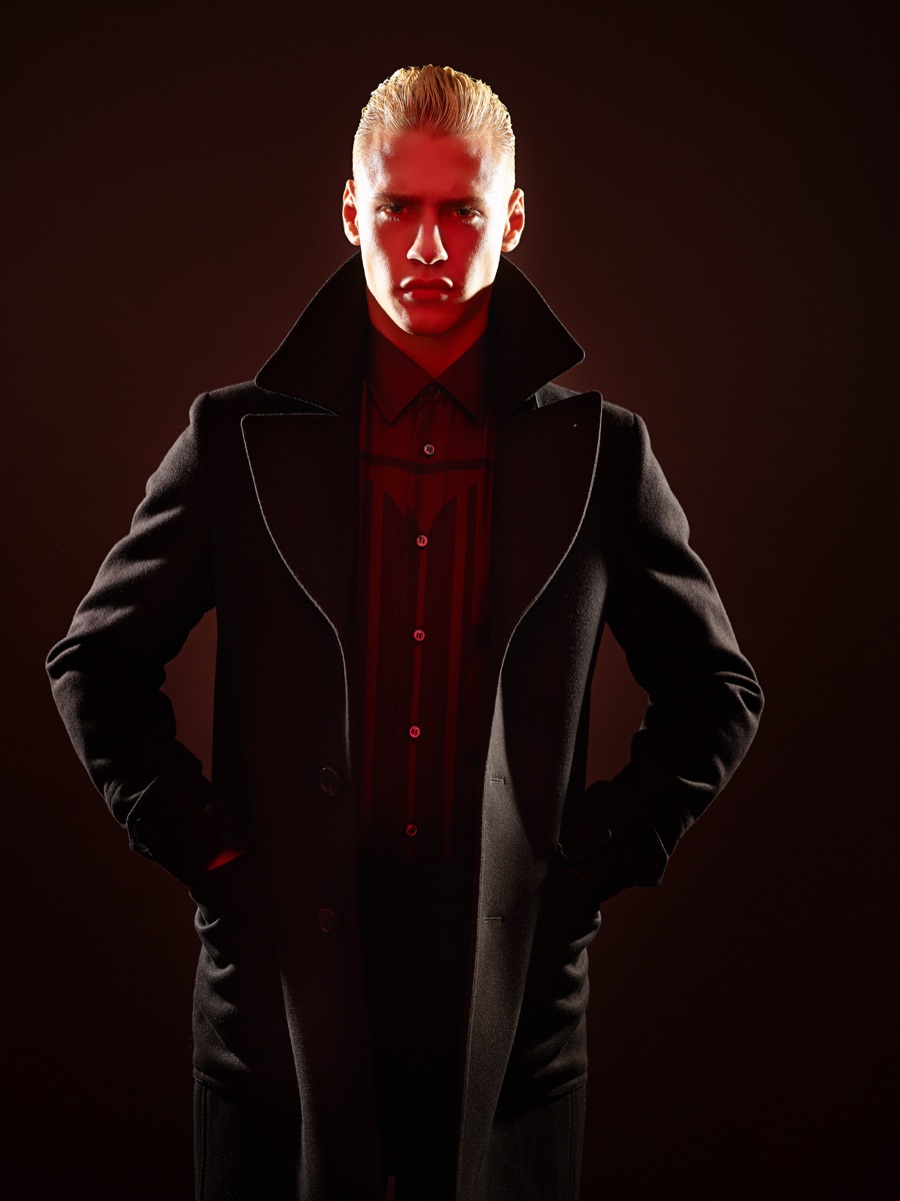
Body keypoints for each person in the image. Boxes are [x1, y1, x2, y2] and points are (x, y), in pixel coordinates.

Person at [47, 65, 763, 1201]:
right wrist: (213, 857)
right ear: (351, 211)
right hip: (279, 995)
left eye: (461, 210)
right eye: (397, 207)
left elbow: (718, 690)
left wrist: (581, 870)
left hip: (511, 1000)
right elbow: (95, 662)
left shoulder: (601, 452)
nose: (427, 245)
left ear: (512, 220)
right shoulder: (233, 439)